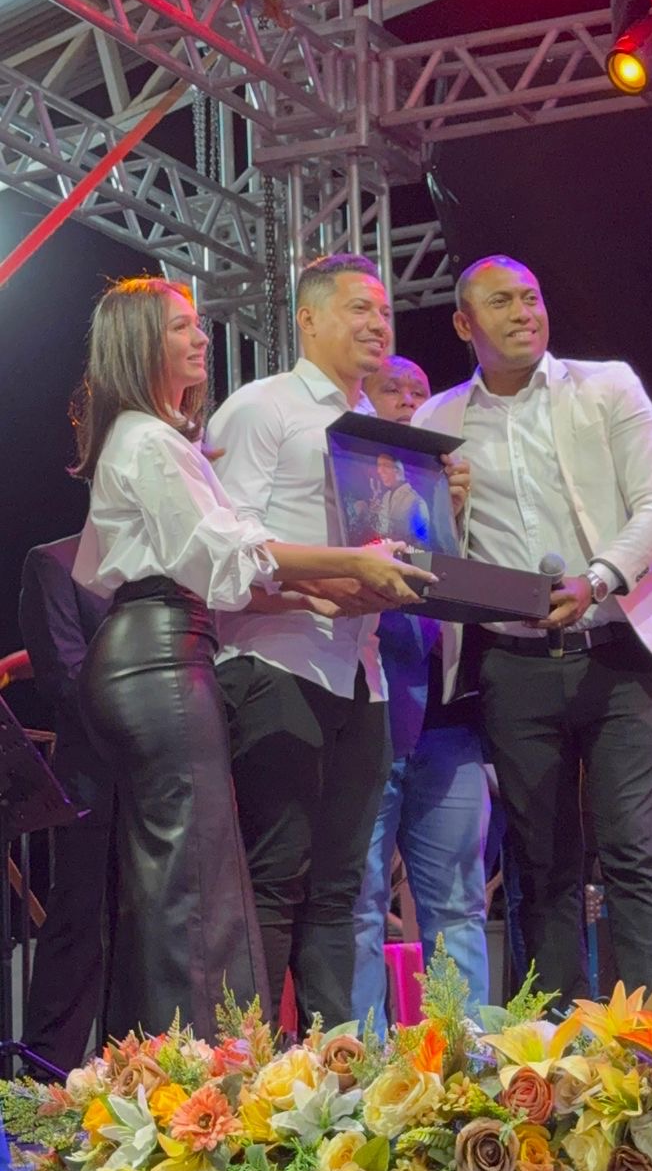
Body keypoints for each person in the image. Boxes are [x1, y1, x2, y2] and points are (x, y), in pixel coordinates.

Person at [73, 276, 428, 1042]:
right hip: (164, 653)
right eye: (182, 327)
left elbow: (229, 562)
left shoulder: (160, 438)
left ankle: (198, 1063)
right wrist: (352, 563)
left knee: (190, 879)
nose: (202, 338)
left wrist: (321, 594)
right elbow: (229, 550)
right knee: (194, 881)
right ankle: (206, 1066)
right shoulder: (150, 438)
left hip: (178, 645)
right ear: (139, 343)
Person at [414, 256, 652, 1007]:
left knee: (632, 854)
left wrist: (597, 578)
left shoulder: (607, 386)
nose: (524, 313)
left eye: (532, 297)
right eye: (501, 302)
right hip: (513, 662)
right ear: (464, 324)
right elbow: (419, 555)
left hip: (620, 648)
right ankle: (554, 1045)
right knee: (541, 865)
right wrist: (443, 511)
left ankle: (649, 1041)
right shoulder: (435, 420)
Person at [207, 256, 463, 1032]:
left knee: (343, 889)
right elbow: (224, 554)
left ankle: (335, 1064)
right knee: (274, 877)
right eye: (359, 309)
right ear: (308, 318)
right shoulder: (263, 408)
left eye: (384, 312)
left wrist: (439, 515)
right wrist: (326, 579)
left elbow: (405, 555)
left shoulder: (380, 434)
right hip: (275, 660)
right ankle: (250, 1066)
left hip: (361, 672)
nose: (377, 325)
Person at [352, 356, 489, 1035]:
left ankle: (464, 1061)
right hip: (372, 721)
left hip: (450, 724)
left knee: (458, 906)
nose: (410, 400)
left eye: (419, 389)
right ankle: (361, 1067)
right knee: (361, 904)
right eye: (392, 389)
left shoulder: (451, 488)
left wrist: (453, 515)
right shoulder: (344, 495)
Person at [18, 536, 112, 1071]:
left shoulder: (167, 566)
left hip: (165, 783)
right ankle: (45, 1077)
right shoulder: (53, 562)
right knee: (79, 930)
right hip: (96, 780)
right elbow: (66, 678)